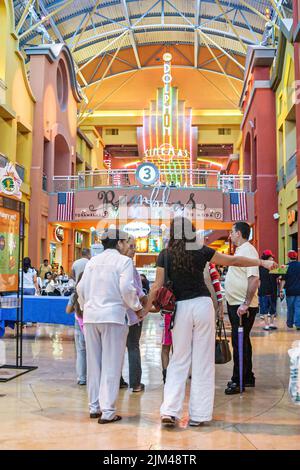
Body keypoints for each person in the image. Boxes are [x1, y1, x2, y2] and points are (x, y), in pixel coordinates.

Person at [144, 217, 276, 427]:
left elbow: (156, 287)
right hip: (203, 306)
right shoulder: (201, 250)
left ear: (172, 233)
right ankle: (200, 415)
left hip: (181, 309)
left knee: (179, 359)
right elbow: (232, 261)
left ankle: (169, 410)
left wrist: (143, 311)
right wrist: (261, 262)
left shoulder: (165, 255)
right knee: (203, 361)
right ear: (192, 232)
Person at [77, 229, 144, 424]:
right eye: (125, 242)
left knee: (94, 363)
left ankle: (94, 406)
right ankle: (108, 411)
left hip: (91, 317)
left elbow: (80, 288)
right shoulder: (123, 262)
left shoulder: (92, 262)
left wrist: (84, 306)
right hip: (113, 316)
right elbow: (126, 288)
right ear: (119, 243)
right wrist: (137, 307)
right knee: (111, 364)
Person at [224, 222, 263, 395]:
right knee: (243, 341)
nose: (229, 235)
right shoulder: (241, 251)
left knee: (238, 342)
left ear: (239, 233)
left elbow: (254, 279)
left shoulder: (248, 250)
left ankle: (238, 380)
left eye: (231, 232)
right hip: (237, 304)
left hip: (242, 306)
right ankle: (247, 376)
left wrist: (246, 303)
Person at [120, 238, 148, 392]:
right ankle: (136, 383)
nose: (133, 250)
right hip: (131, 313)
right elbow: (135, 289)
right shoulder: (127, 264)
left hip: (118, 313)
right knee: (133, 347)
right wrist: (144, 303)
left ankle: (118, 380)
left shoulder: (116, 264)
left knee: (117, 348)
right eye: (130, 246)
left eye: (134, 247)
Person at [66, 272, 86, 385]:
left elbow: (67, 310)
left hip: (78, 325)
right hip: (90, 324)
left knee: (81, 352)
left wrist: (75, 308)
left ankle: (82, 378)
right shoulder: (92, 293)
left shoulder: (74, 294)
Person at [258, 250, 278, 331]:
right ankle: (268, 324)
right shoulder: (273, 267)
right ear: (267, 258)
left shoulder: (260, 268)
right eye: (271, 258)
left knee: (269, 307)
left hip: (266, 290)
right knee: (267, 307)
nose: (272, 260)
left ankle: (270, 324)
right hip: (269, 290)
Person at [280, 250, 300, 330]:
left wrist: (281, 290)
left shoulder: (285, 266)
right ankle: (298, 324)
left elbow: (283, 280)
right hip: (299, 291)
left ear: (288, 257)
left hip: (289, 291)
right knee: (298, 307)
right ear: (296, 256)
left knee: (290, 307)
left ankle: (290, 323)